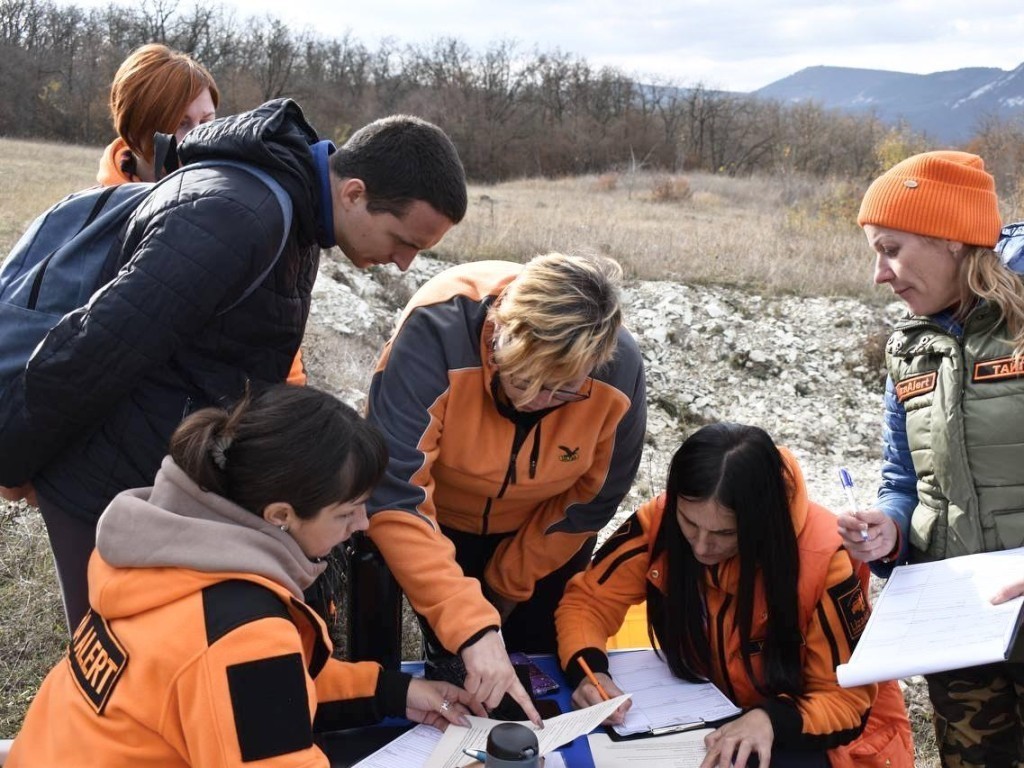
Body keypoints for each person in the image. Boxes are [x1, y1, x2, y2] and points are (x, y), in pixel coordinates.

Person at [0, 97, 467, 634]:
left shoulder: (294, 218)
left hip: (152, 469)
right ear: (355, 193)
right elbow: (93, 349)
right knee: (117, 658)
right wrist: (13, 461)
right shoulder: (240, 218)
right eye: (404, 241)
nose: (405, 264)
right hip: (101, 485)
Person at [5, 384, 480, 767]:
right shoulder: (240, 629)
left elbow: (257, 696)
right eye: (348, 512)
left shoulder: (158, 553)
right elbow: (251, 685)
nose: (363, 525)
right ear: (280, 515)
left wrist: (395, 691)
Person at [364, 252, 647, 722]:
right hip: (436, 524)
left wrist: (505, 584)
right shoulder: (435, 331)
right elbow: (396, 492)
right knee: (458, 666)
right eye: (525, 379)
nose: (537, 402)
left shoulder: (618, 370)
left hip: (543, 535)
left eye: (562, 391)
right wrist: (473, 628)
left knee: (533, 667)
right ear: (500, 330)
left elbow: (591, 501)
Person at [556, 423, 915, 768]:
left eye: (724, 533)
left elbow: (846, 701)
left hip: (832, 744)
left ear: (763, 521)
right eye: (689, 523)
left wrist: (769, 721)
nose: (700, 545)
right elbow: (588, 601)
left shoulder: (825, 558)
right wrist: (591, 672)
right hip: (718, 719)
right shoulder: (661, 521)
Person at [837, 150, 1024, 765]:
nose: (879, 274)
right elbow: (904, 477)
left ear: (952, 239)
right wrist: (888, 530)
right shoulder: (908, 349)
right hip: (961, 626)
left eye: (890, 248)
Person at [98, 43, 219, 185]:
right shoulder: (96, 206)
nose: (199, 137)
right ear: (134, 129)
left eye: (206, 122)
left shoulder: (235, 197)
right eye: (181, 123)